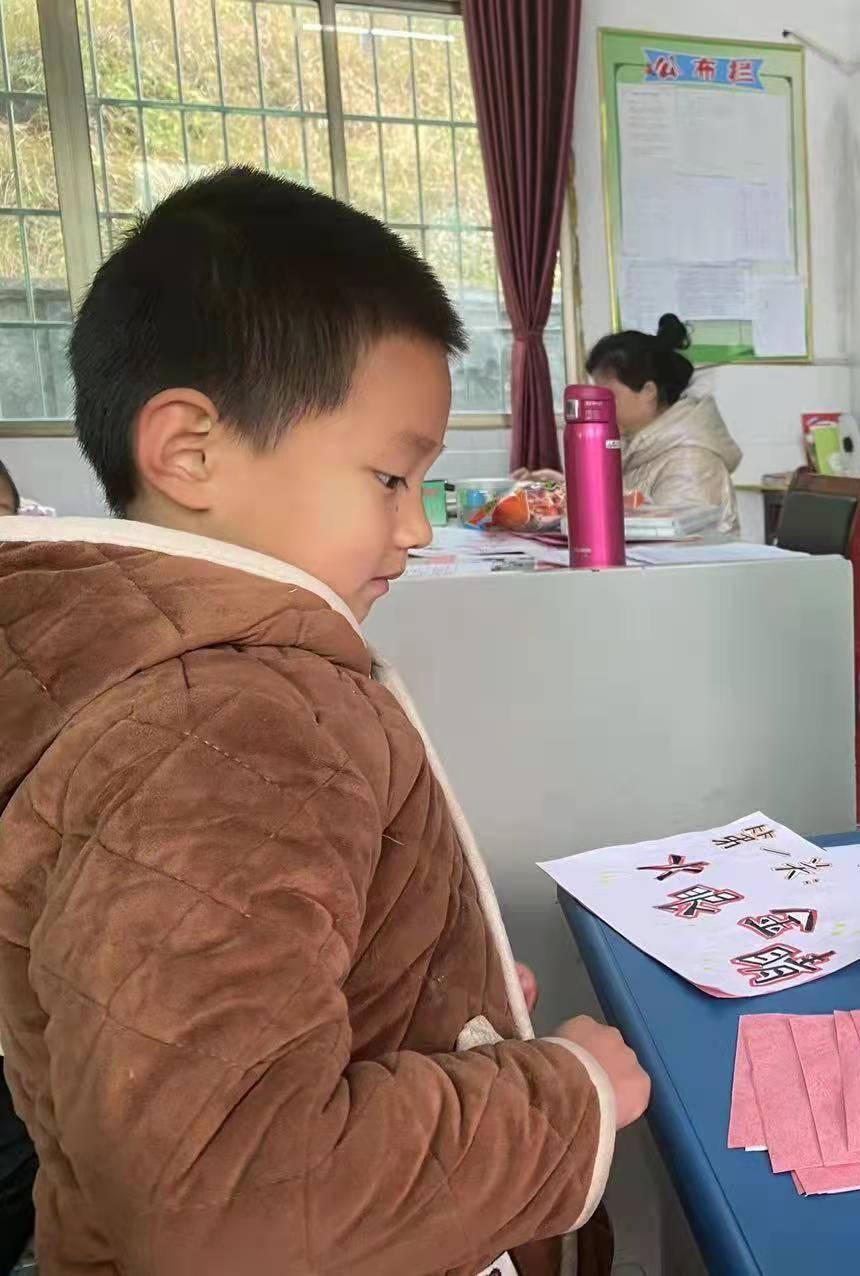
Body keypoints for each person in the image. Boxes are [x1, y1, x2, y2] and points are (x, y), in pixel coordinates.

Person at [0, 168, 651, 1276]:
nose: (414, 530)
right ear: (189, 451)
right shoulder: (224, 724)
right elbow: (231, 1194)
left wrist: (426, 991)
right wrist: (565, 1092)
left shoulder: (166, 677)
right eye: (391, 477)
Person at [586, 313, 743, 535]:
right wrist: (564, 490)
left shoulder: (691, 462)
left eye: (609, 397)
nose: (601, 407)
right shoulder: (633, 446)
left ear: (648, 392)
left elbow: (674, 551)